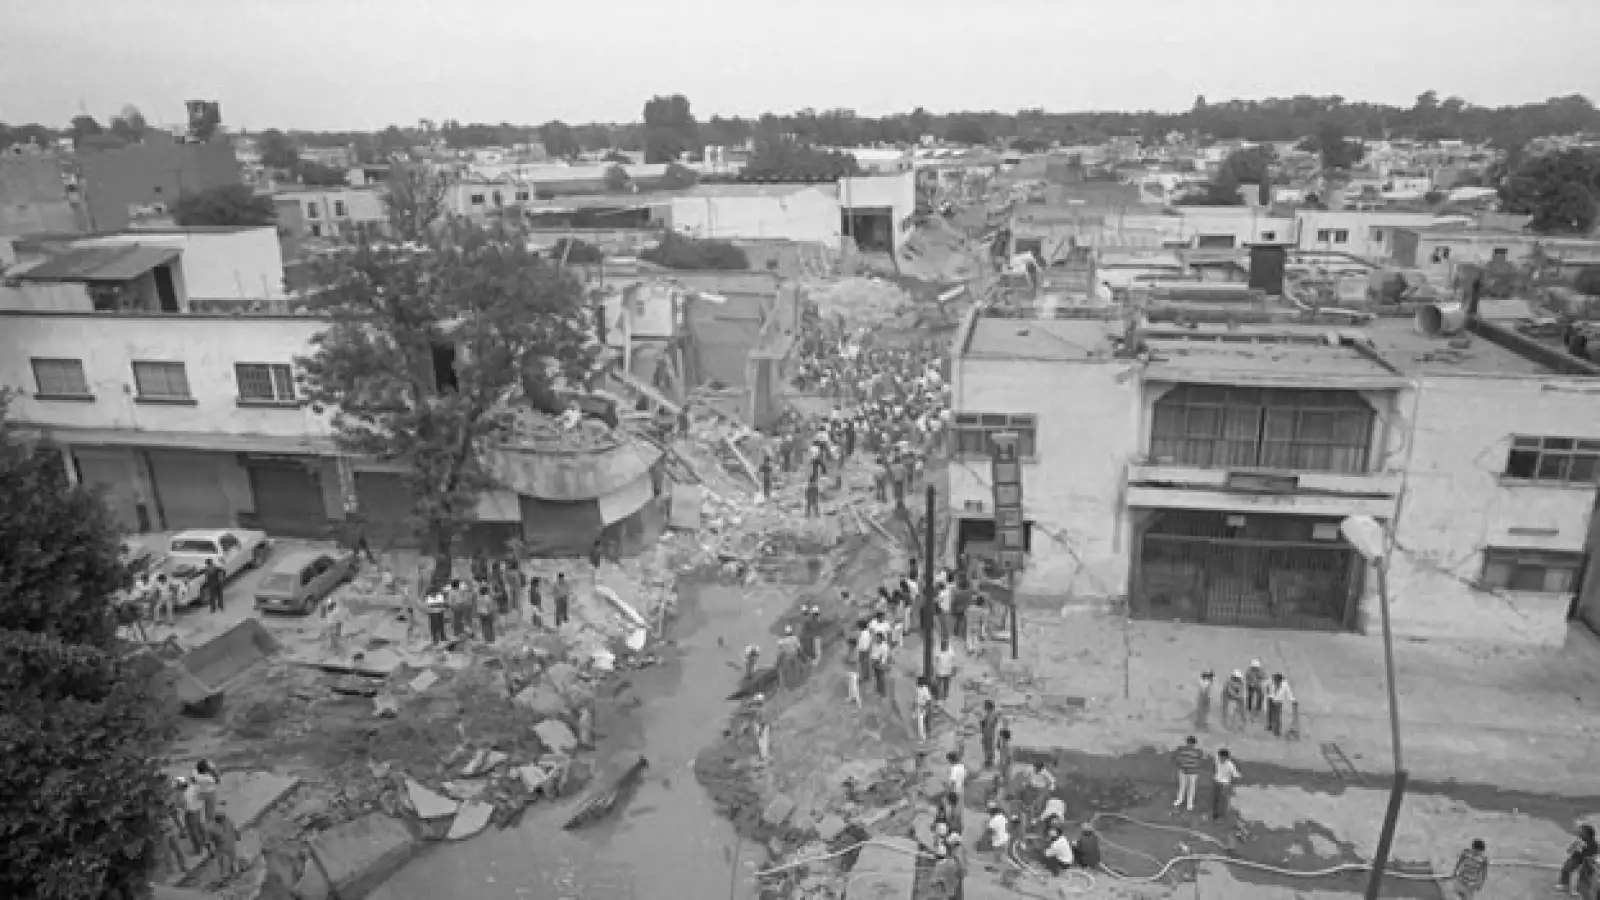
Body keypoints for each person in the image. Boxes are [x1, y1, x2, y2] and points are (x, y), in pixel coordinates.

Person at [1558, 825, 1598, 894]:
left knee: (1586, 873)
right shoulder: (1578, 842)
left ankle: (1581, 888)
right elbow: (1569, 851)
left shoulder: (1594, 844)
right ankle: (1564, 885)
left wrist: (1591, 859)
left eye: (1581, 833)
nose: (1579, 835)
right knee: (1566, 868)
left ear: (1588, 835)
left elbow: (1594, 853)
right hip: (1576, 857)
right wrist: (1574, 848)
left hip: (1587, 859)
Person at [1173, 735, 1205, 813]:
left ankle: (1189, 804)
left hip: (1193, 773)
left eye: (1191, 743)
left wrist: (1194, 766)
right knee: (1182, 787)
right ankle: (1179, 800)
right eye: (1189, 743)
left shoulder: (1198, 752)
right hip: (1183, 772)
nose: (1189, 745)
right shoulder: (1182, 750)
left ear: (1194, 744)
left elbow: (1200, 762)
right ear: (1187, 743)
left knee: (1191, 788)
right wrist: (1181, 764)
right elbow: (1178, 759)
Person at [1212, 748, 1241, 822]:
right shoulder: (1217, 760)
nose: (1221, 758)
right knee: (1216, 799)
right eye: (1220, 757)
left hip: (1225, 784)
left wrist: (1238, 776)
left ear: (1226, 757)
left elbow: (1236, 774)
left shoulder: (1230, 765)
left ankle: (1222, 814)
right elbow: (1215, 757)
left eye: (1223, 757)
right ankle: (1215, 813)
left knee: (1223, 800)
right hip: (1217, 782)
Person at [209, 811, 241, 877]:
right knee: (233, 858)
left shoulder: (213, 830)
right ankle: (236, 871)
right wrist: (238, 838)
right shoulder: (230, 822)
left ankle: (224, 875)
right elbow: (236, 831)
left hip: (221, 848)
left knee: (222, 862)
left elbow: (210, 841)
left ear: (216, 821)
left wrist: (211, 852)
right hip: (231, 844)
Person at [979, 700, 1001, 769]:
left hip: (989, 734)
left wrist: (983, 724)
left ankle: (989, 763)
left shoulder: (992, 715)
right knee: (987, 748)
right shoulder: (989, 714)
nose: (984, 707)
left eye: (985, 706)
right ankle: (988, 762)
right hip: (987, 734)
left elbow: (990, 725)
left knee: (989, 748)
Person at [1244, 660, 1267, 725]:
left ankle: (1258, 708)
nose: (1256, 669)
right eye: (1254, 667)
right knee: (1250, 696)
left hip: (1257, 685)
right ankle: (1249, 708)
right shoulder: (1248, 671)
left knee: (1261, 696)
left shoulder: (1261, 671)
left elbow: (1264, 677)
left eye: (1257, 668)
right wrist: (1251, 683)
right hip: (1250, 685)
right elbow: (1247, 679)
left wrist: (1258, 681)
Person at [913, 676, 933, 741]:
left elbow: (928, 700)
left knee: (921, 722)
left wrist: (925, 708)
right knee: (920, 722)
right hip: (919, 706)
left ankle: (923, 737)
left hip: (921, 706)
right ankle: (922, 736)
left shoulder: (923, 689)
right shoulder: (920, 689)